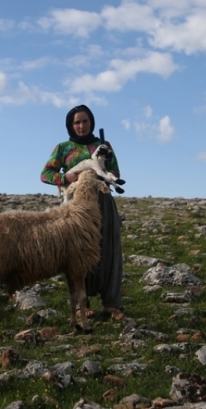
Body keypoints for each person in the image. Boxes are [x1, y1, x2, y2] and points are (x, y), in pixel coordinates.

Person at [40, 105, 125, 321]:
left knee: (110, 250)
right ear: (70, 125)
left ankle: (112, 305)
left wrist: (104, 169)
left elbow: (115, 173)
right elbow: (45, 174)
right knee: (77, 251)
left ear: (91, 122)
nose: (81, 126)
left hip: (102, 201)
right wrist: (65, 178)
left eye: (85, 121)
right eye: (76, 122)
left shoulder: (103, 146)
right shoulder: (63, 148)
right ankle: (80, 305)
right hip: (76, 205)